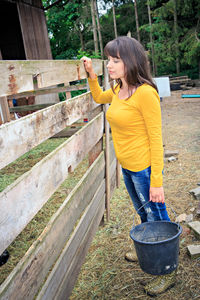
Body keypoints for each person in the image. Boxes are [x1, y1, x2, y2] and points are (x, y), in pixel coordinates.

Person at [81, 36, 176, 296]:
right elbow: (100, 97)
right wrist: (91, 74)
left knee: (158, 215)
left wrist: (157, 180)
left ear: (131, 61)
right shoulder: (117, 89)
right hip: (128, 167)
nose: (109, 65)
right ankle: (147, 247)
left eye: (115, 60)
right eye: (109, 60)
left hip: (145, 169)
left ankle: (167, 271)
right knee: (144, 214)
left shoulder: (145, 93)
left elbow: (157, 140)